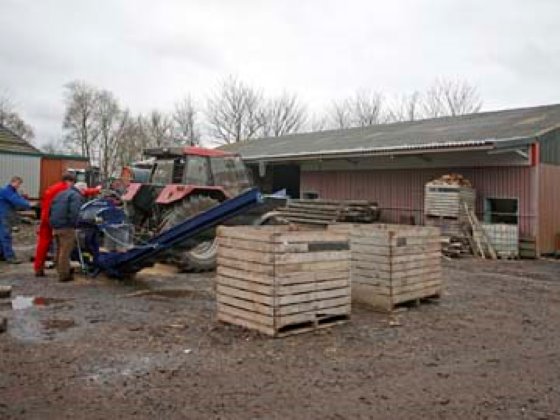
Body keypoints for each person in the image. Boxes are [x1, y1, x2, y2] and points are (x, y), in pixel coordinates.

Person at [33, 172, 77, 277]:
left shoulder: (52, 187)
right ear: (69, 181)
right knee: (63, 246)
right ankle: (62, 270)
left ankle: (38, 268)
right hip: (53, 218)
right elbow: (77, 194)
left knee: (43, 243)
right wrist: (95, 190)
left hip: (45, 216)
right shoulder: (64, 189)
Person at [49, 182, 85, 282]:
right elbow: (75, 212)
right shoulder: (76, 196)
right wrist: (75, 224)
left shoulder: (61, 193)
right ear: (81, 190)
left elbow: (51, 208)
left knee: (58, 250)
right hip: (66, 227)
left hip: (55, 225)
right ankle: (64, 275)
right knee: (65, 251)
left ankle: (59, 270)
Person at [0, 176, 31, 264]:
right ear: (13, 182)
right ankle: (10, 257)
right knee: (6, 236)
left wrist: (24, 202)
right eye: (18, 184)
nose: (18, 186)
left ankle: (2, 254)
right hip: (4, 216)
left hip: (4, 215)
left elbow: (18, 198)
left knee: (1, 236)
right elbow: (16, 200)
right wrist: (29, 205)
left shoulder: (11, 191)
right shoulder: (7, 191)